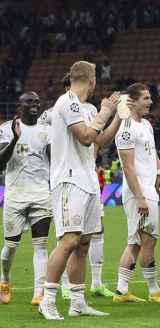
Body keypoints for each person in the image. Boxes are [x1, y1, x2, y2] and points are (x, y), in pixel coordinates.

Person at [39, 61, 120, 319]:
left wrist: (118, 116)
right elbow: (85, 136)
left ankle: (77, 302)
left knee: (84, 243)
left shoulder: (88, 108)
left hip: (88, 182)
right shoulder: (67, 102)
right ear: (91, 79)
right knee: (69, 240)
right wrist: (106, 112)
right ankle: (47, 300)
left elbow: (99, 142)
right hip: (69, 181)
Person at [112, 83, 160, 303]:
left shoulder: (146, 125)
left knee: (137, 241)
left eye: (149, 98)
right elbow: (128, 167)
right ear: (132, 101)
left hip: (149, 189)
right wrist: (139, 197)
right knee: (146, 241)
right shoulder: (126, 128)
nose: (150, 102)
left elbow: (153, 156)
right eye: (145, 98)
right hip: (139, 192)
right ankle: (153, 290)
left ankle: (121, 291)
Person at [0, 93, 51, 305]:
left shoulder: (46, 131)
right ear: (19, 105)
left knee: (41, 245)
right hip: (15, 195)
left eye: (37, 102)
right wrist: (14, 139)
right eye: (30, 102)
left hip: (41, 194)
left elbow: (54, 160)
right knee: (11, 246)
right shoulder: (5, 128)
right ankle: (4, 279)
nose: (35, 105)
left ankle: (39, 293)